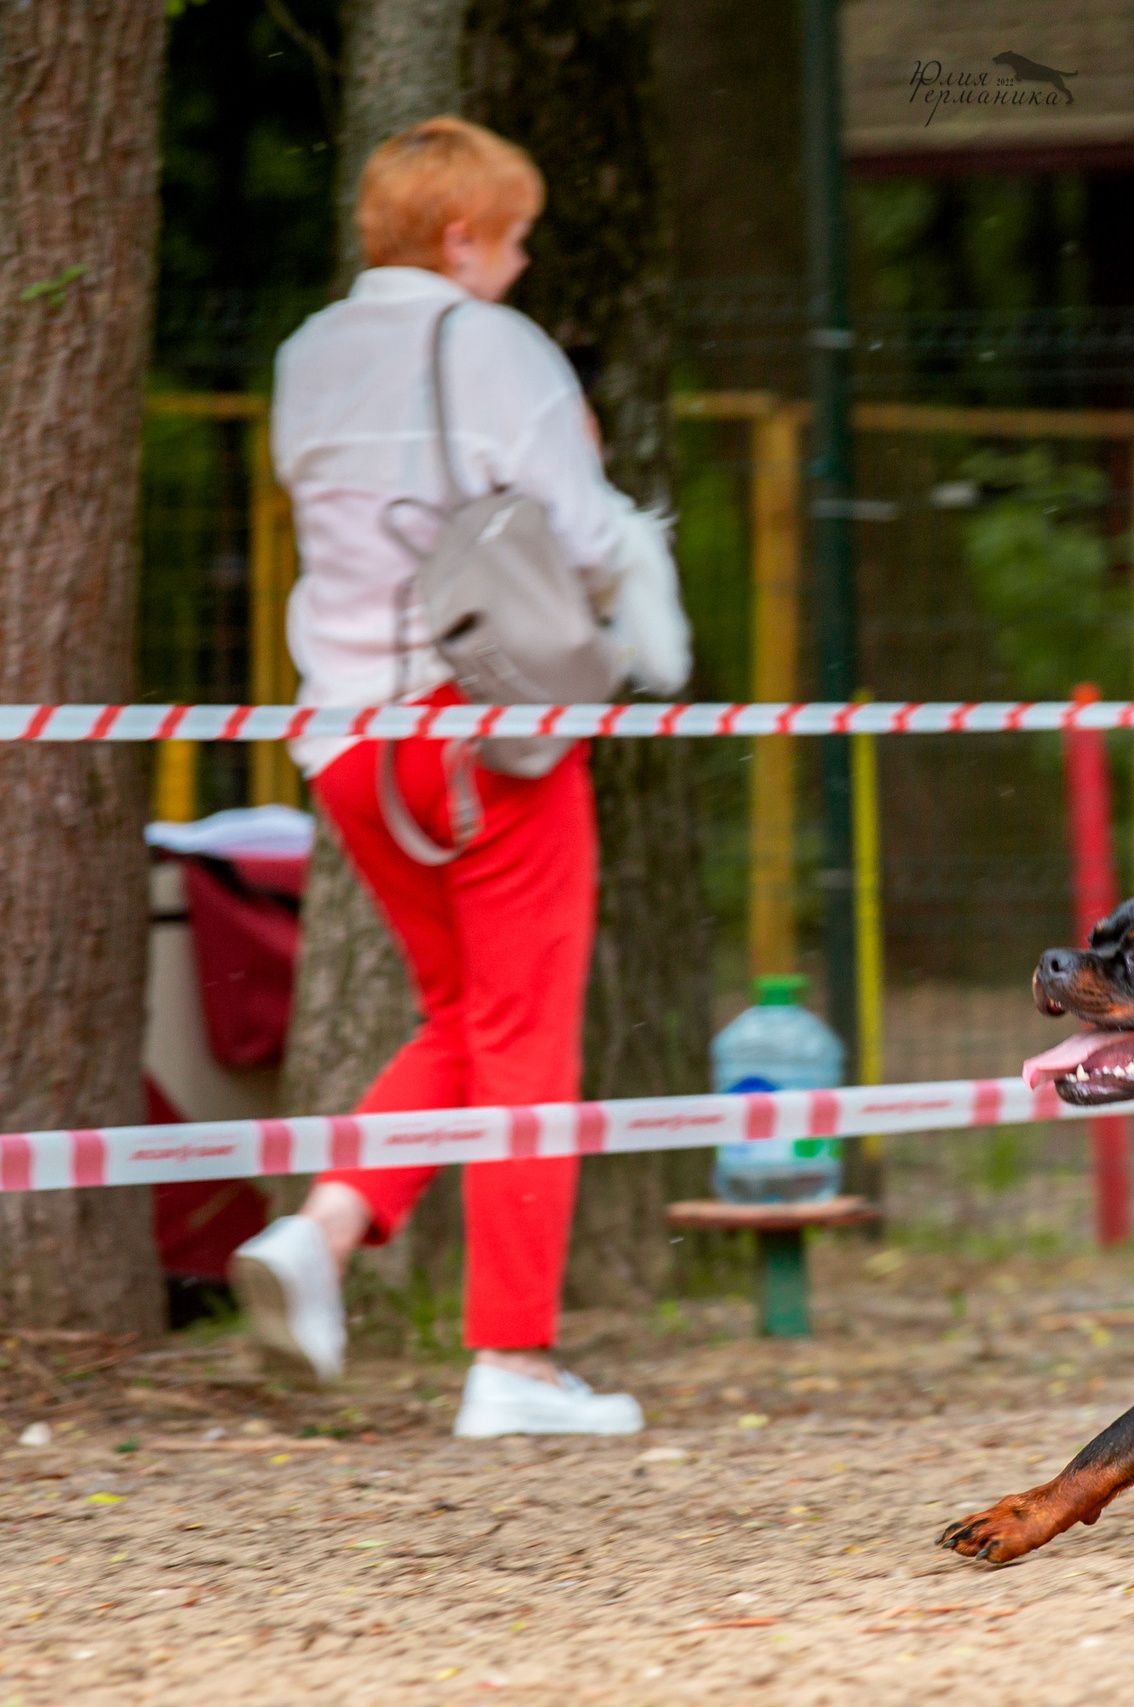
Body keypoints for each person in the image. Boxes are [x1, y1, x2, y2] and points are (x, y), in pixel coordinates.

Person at [227, 116, 690, 1438]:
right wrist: (641, 593)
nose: (526, 259)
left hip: (347, 743)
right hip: (485, 734)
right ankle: (515, 1361)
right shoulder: (492, 344)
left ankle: (322, 1230)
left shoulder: (308, 353)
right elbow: (585, 525)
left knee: (466, 1016)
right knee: (529, 1039)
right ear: (462, 235)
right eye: (518, 234)